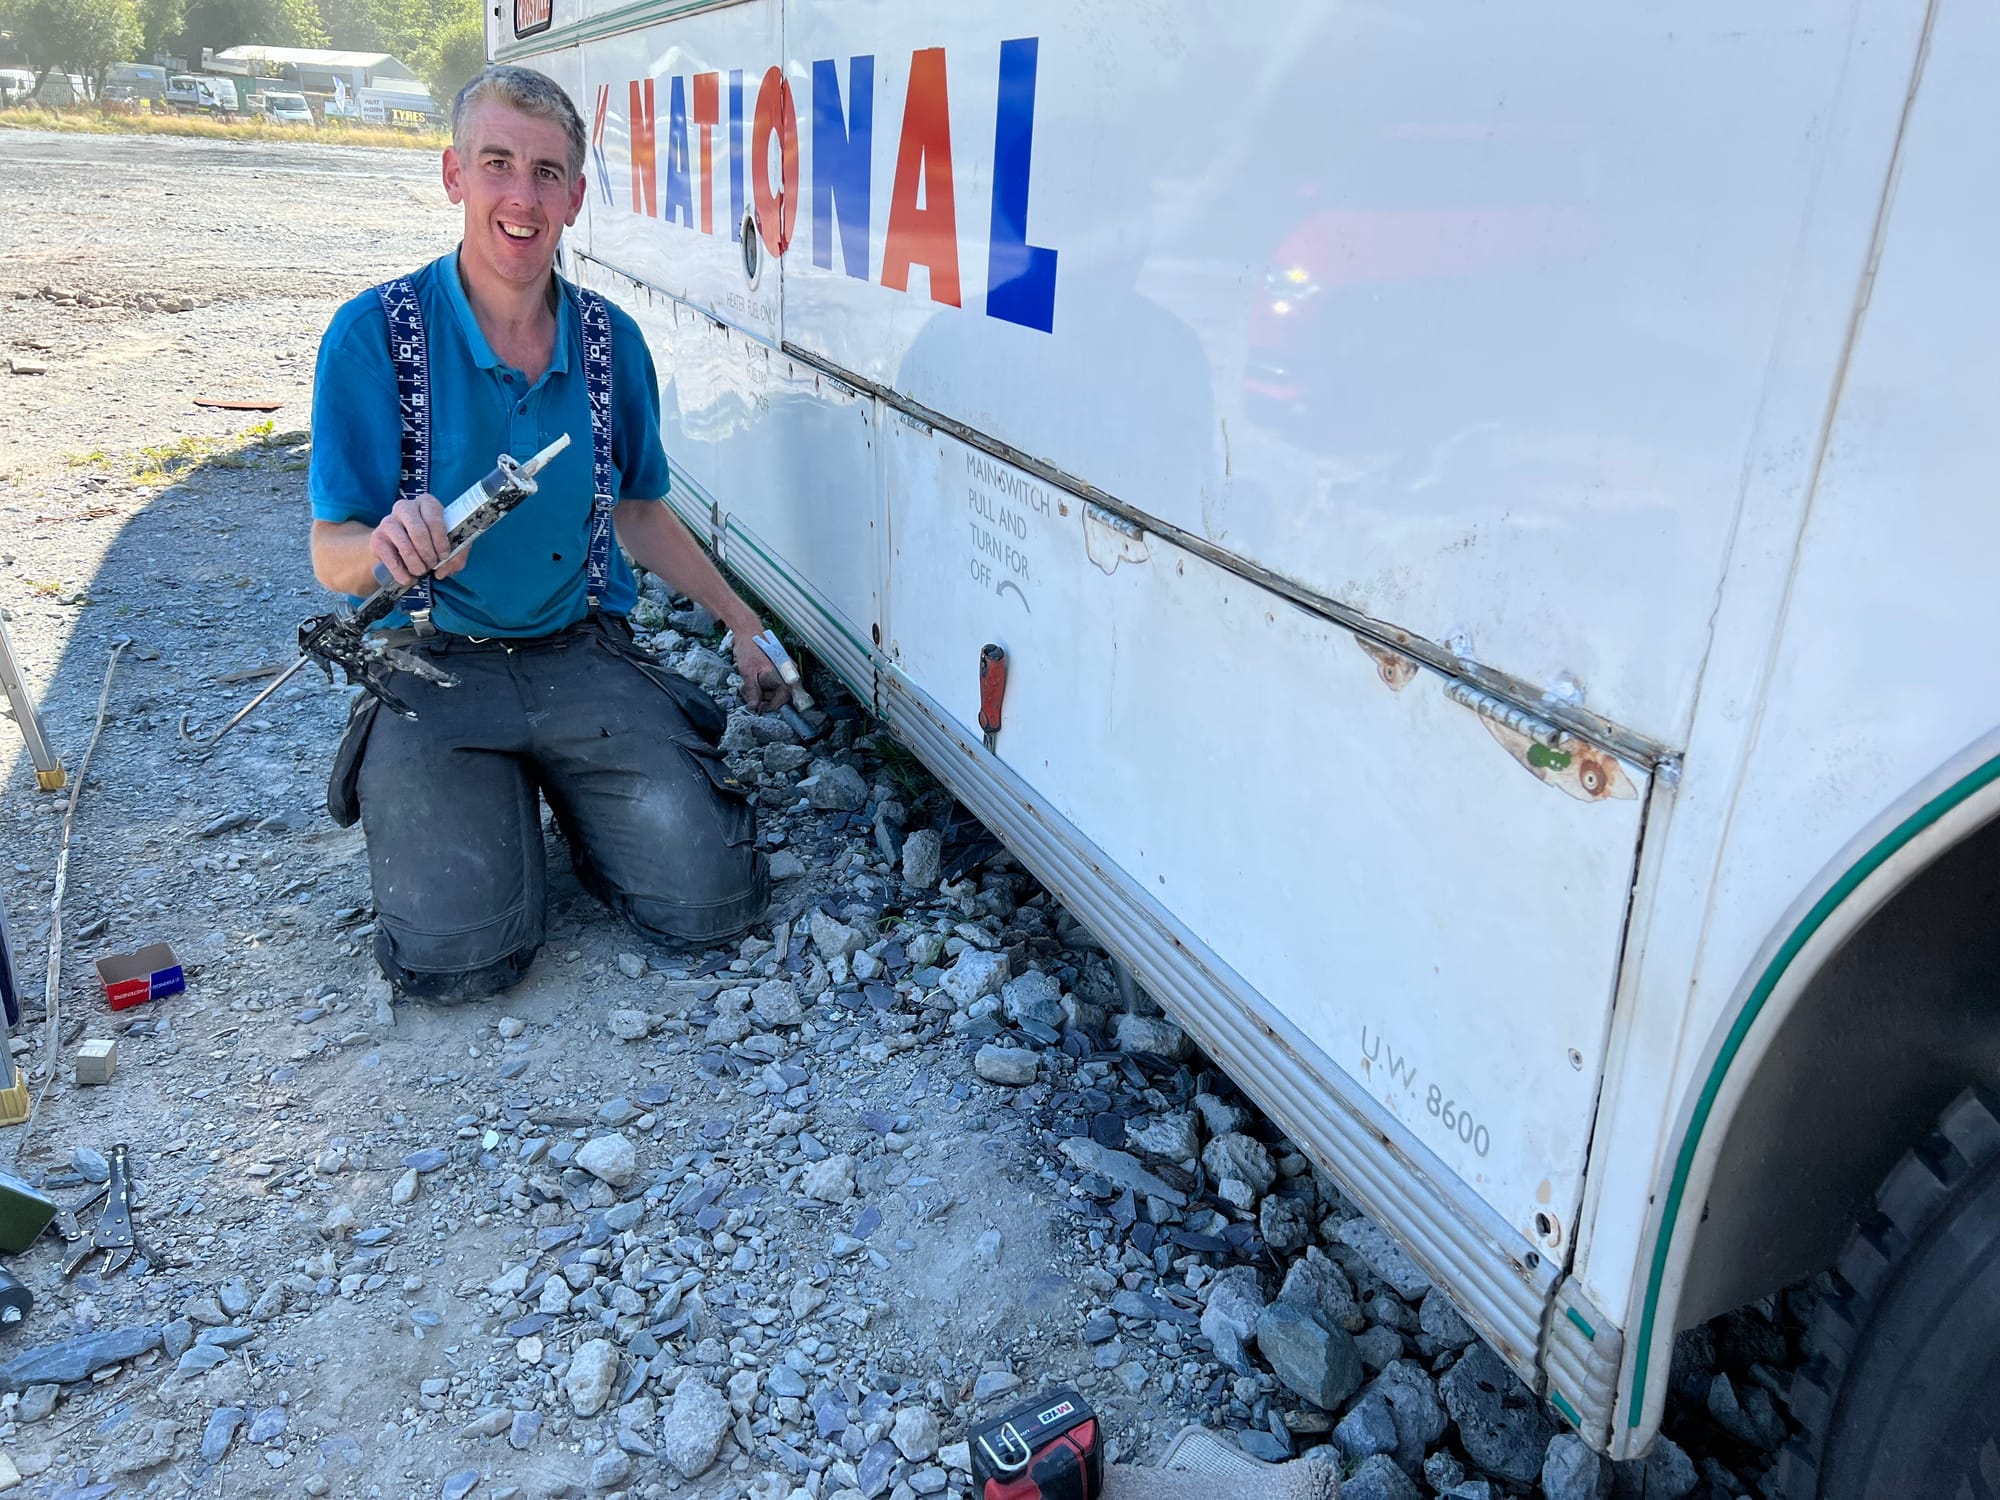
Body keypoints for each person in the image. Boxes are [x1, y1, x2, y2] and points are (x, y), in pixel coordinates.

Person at [307, 64, 789, 1001]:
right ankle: (485, 798)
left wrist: (740, 621)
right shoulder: (372, 337)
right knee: (461, 957)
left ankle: (572, 795)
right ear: (454, 175)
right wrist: (385, 547)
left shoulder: (612, 345)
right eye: (497, 164)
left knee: (711, 903)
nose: (521, 197)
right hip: (434, 658)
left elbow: (641, 510)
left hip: (582, 652)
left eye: (547, 172)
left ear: (575, 194)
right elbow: (331, 551)